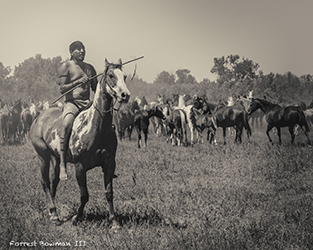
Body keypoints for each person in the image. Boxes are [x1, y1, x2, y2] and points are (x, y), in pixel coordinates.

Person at [58, 41, 98, 181]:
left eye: (83, 49)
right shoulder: (65, 66)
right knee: (67, 124)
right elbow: (62, 89)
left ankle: (106, 160)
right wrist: (77, 82)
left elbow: (96, 89)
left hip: (88, 103)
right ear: (71, 52)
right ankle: (62, 164)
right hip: (72, 103)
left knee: (106, 123)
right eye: (78, 49)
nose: (82, 51)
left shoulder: (90, 68)